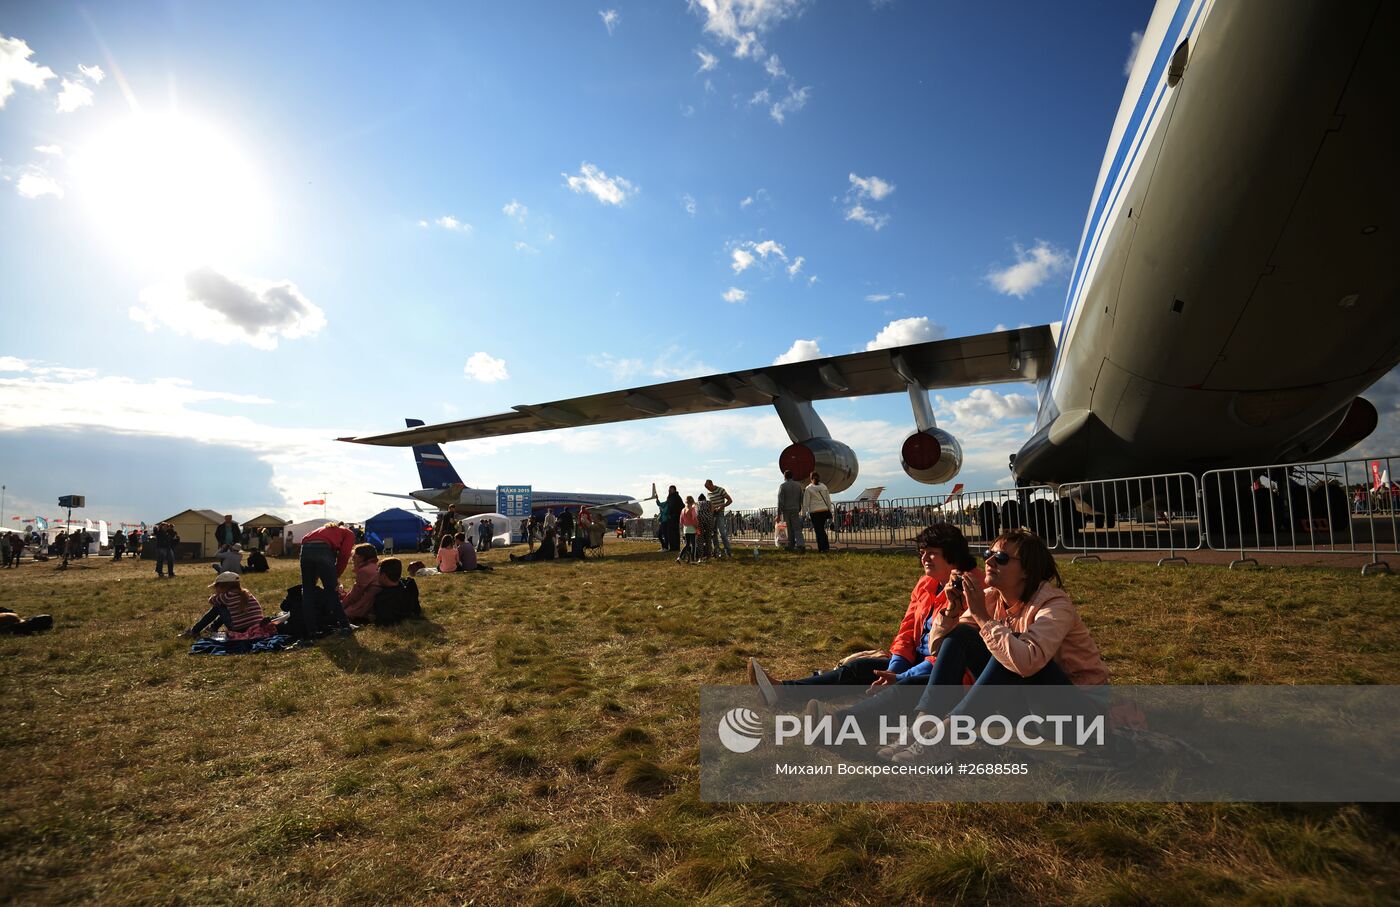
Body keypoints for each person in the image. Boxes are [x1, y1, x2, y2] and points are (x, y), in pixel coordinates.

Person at [878, 528, 1108, 764]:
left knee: (1013, 646)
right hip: (1025, 708)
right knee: (962, 635)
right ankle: (923, 725)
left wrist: (983, 618)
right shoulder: (991, 597)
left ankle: (947, 736)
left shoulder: (1054, 605)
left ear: (1027, 570)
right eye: (988, 553)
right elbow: (937, 647)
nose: (988, 561)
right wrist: (951, 610)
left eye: (1001, 558)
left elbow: (1026, 663)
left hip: (1078, 716)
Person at [747, 523, 982, 707]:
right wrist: (896, 667)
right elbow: (907, 629)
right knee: (858, 669)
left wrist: (901, 676)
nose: (924, 558)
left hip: (945, 673)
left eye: (932, 553)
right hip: (914, 662)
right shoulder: (926, 584)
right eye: (922, 552)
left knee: (901, 687)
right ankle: (784, 690)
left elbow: (951, 651)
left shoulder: (973, 587)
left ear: (952, 554)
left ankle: (837, 720)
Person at [299, 521, 356, 637]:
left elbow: (305, 539)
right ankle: (344, 625)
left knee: (308, 592)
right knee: (331, 590)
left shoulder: (322, 529)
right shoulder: (348, 533)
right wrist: (336, 576)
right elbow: (344, 555)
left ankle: (312, 630)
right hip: (323, 548)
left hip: (305, 548)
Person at [181, 571, 275, 640]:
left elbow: (211, 600)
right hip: (256, 626)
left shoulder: (227, 596)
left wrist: (218, 596)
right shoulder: (246, 593)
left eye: (216, 587)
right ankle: (212, 628)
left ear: (223, 587)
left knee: (218, 607)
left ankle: (194, 631)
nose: (215, 590)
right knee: (226, 607)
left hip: (239, 629)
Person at [371, 557, 421, 624]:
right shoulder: (409, 586)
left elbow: (382, 621)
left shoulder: (383, 598)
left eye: (378, 572)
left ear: (384, 575)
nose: (377, 575)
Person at [342, 543, 381, 623]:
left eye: (354, 557)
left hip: (367, 604)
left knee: (343, 613)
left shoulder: (365, 571)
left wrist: (341, 606)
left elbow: (355, 594)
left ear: (361, 558)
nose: (352, 560)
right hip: (374, 602)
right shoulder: (373, 566)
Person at [804, 472, 835, 552]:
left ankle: (822, 548)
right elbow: (828, 500)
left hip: (814, 511)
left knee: (818, 531)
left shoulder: (808, 488)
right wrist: (830, 511)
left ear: (811, 479)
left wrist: (804, 513)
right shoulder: (824, 486)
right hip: (824, 510)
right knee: (822, 530)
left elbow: (806, 502)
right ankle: (826, 547)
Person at [777, 470, 806, 551]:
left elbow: (780, 501)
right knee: (797, 528)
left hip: (786, 510)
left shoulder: (782, 486)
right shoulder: (798, 485)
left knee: (788, 529)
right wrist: (800, 508)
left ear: (785, 477)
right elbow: (802, 499)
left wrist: (778, 514)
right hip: (795, 509)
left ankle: (789, 545)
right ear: (792, 476)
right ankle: (801, 544)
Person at [704, 479, 733, 558]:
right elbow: (711, 505)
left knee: (722, 533)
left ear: (711, 484)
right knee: (713, 534)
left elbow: (730, 500)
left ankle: (728, 551)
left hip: (720, 513)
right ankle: (716, 551)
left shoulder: (721, 490)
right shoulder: (708, 494)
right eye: (706, 488)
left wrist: (722, 506)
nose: (708, 489)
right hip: (712, 514)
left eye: (708, 487)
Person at [678, 496, 699, 563]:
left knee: (687, 544)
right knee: (693, 545)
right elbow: (694, 519)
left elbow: (681, 521)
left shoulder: (683, 510)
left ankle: (680, 557)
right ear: (692, 502)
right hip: (692, 528)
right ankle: (693, 560)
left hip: (686, 529)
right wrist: (697, 527)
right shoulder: (692, 509)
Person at [664, 486, 684, 552]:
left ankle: (676, 547)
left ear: (674, 490)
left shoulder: (677, 497)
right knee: (670, 533)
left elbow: (681, 506)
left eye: (671, 489)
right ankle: (672, 547)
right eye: (669, 489)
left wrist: (676, 514)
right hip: (670, 517)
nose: (669, 490)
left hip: (674, 517)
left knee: (675, 533)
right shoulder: (670, 497)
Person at [696, 494, 715, 561]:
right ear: (705, 498)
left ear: (699, 499)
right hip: (708, 520)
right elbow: (712, 510)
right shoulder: (709, 502)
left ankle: (700, 556)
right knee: (708, 538)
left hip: (699, 520)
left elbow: (695, 512)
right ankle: (708, 556)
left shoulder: (697, 503)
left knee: (700, 539)